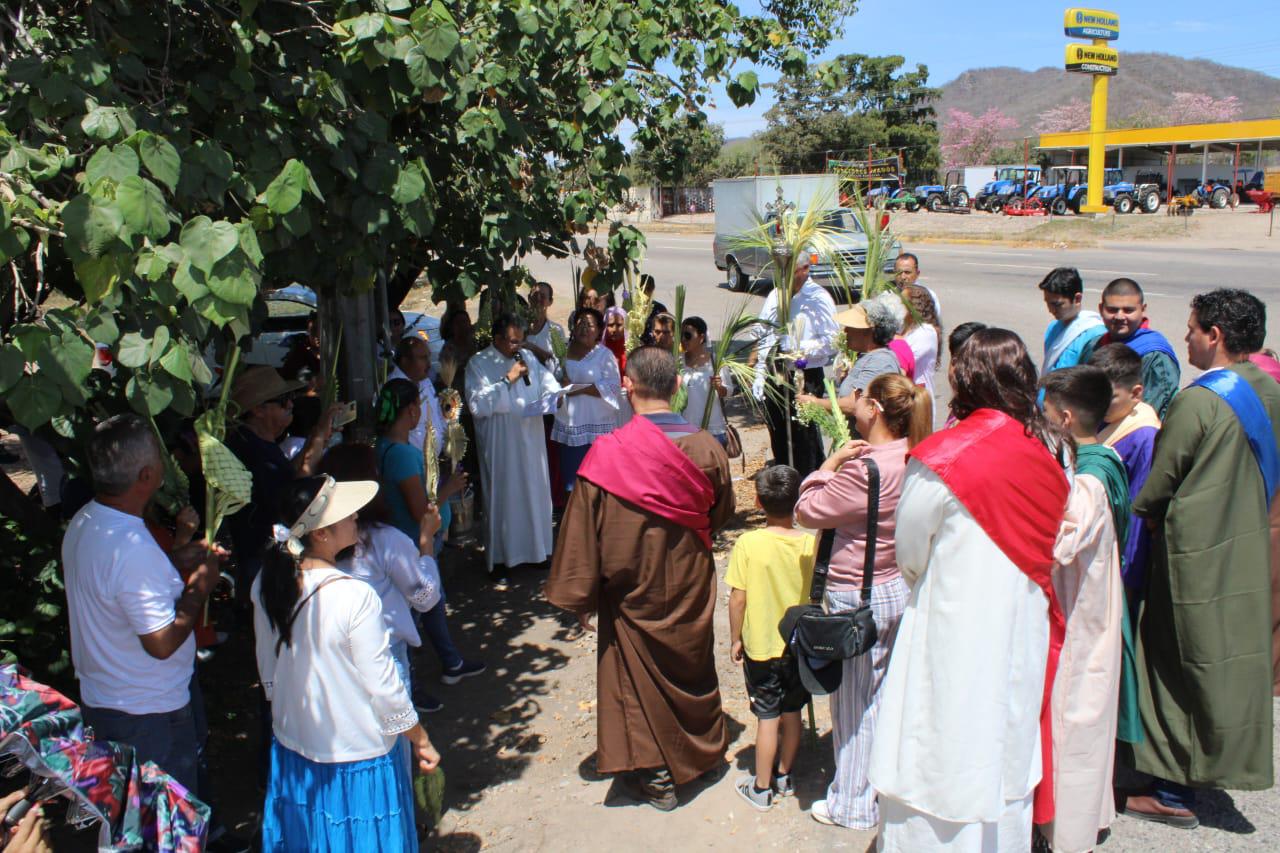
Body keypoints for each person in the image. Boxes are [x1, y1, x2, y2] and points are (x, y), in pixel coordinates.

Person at [869, 329, 1071, 852]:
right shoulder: (1050, 448)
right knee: (1005, 734)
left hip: (950, 624)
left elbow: (909, 553)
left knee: (937, 739)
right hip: (1018, 620)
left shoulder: (943, 457)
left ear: (966, 377)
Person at [545, 347, 735, 810]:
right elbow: (721, 513)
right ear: (676, 387)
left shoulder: (607, 454)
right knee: (692, 666)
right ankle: (702, 754)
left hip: (631, 591)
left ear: (627, 387)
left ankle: (656, 775)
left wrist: (583, 598)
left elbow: (581, 534)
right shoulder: (707, 447)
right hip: (689, 582)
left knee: (634, 681)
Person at [1121, 289, 1280, 828]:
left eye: (1191, 329)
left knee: (1171, 663)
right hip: (1247, 546)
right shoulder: (1269, 388)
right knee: (1228, 660)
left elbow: (1160, 483)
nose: (1184, 336)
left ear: (1214, 335)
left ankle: (1169, 789)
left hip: (1192, 556)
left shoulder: (1198, 402)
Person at [253, 476, 440, 851]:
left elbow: (268, 671)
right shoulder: (355, 596)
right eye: (345, 513)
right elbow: (385, 688)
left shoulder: (266, 583)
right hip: (357, 755)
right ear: (321, 534)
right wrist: (420, 739)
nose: (356, 516)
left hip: (296, 747)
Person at [794, 373, 932, 829]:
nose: (851, 402)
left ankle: (852, 802)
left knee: (854, 706)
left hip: (857, 594)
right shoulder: (912, 453)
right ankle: (881, 786)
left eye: (859, 397)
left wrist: (827, 463)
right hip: (896, 585)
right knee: (882, 694)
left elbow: (807, 509)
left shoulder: (864, 468)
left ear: (874, 409)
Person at [63, 415, 223, 796]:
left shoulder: (87, 521)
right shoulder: (132, 548)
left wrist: (175, 560)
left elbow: (120, 591)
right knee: (164, 826)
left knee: (128, 819)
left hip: (108, 700)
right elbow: (162, 643)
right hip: (149, 713)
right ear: (147, 476)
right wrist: (200, 587)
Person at [1039, 366, 1129, 853]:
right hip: (1090, 602)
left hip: (1081, 613)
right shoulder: (1104, 456)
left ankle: (1067, 830)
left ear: (1067, 417)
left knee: (1075, 714)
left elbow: (1059, 545)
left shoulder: (1089, 480)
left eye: (1047, 413)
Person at [321, 445, 455, 716]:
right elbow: (427, 597)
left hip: (335, 658)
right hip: (383, 654)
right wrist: (426, 540)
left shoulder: (318, 546)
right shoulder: (384, 540)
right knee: (392, 738)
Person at [372, 380, 484, 698]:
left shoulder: (384, 447)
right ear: (411, 411)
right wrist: (448, 488)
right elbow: (421, 509)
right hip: (413, 545)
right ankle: (411, 688)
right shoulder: (402, 456)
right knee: (413, 616)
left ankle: (451, 661)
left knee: (433, 606)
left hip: (408, 543)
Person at [726, 465, 815, 812]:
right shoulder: (810, 543)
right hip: (798, 646)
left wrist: (736, 638)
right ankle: (783, 774)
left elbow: (738, 598)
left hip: (761, 647)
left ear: (759, 502)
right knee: (792, 712)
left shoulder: (748, 543)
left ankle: (761, 788)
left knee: (767, 717)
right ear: (797, 503)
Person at [225, 366, 343, 597]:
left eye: (291, 398)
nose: (291, 404)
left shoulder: (257, 442)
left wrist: (318, 439)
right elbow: (292, 495)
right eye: (283, 400)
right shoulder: (251, 450)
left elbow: (288, 474)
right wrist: (318, 436)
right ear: (258, 409)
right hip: (264, 563)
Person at [466, 313, 560, 588]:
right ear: (497, 339)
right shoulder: (478, 363)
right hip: (502, 444)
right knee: (505, 498)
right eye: (512, 343)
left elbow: (547, 381)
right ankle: (500, 559)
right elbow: (478, 405)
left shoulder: (528, 358)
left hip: (530, 439)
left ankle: (537, 552)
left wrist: (554, 395)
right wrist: (508, 380)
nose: (518, 348)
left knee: (534, 492)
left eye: (521, 342)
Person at [750, 253, 841, 476]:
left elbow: (832, 341)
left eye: (788, 271)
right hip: (776, 374)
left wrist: (798, 346)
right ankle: (784, 486)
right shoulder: (775, 295)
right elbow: (763, 335)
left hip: (804, 375)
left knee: (805, 437)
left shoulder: (818, 297)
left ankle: (811, 483)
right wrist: (760, 372)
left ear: (804, 269)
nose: (783, 276)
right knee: (778, 433)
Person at [1089, 344, 1160, 609]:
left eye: (1109, 397)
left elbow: (1137, 511)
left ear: (1136, 393)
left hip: (1118, 559)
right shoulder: (1105, 417)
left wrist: (1127, 575)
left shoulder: (1144, 436)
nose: (1098, 403)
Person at [796, 292, 906, 431]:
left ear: (869, 331)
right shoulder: (868, 357)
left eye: (851, 327)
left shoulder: (881, 361)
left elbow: (855, 404)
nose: (845, 331)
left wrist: (816, 403)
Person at [1084, 278, 1181, 419]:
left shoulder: (1155, 356)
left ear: (1143, 309)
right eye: (1112, 310)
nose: (1119, 316)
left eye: (1128, 310)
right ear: (1100, 309)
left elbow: (1152, 412)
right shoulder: (1094, 345)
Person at [552, 308, 622, 496]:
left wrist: (576, 388)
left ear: (600, 330)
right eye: (580, 323)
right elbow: (552, 382)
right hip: (571, 425)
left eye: (589, 324)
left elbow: (613, 388)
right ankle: (572, 524)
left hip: (597, 426)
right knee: (572, 485)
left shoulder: (605, 355)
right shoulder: (563, 351)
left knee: (598, 484)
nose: (583, 328)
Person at [1039, 267, 1105, 375]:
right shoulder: (1053, 328)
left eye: (1057, 304)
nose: (1050, 310)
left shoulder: (1095, 335)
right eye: (1048, 303)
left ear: (1077, 299)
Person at [680, 316, 733, 444]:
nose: (683, 339)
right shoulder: (678, 362)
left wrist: (720, 387)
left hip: (713, 430)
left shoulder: (716, 361)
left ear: (701, 337)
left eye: (688, 335)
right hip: (684, 431)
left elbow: (729, 391)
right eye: (681, 335)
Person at [900, 284, 942, 416]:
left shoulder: (925, 332)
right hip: (904, 398)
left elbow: (902, 360)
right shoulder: (905, 328)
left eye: (902, 302)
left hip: (918, 402)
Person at [524, 282, 565, 369]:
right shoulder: (519, 327)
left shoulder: (556, 330)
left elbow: (559, 364)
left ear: (550, 302)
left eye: (542, 296)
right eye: (535, 295)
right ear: (529, 298)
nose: (538, 299)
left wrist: (532, 348)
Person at [603, 306, 628, 375]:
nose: (615, 330)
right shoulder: (600, 348)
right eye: (611, 325)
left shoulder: (631, 347)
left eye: (619, 325)